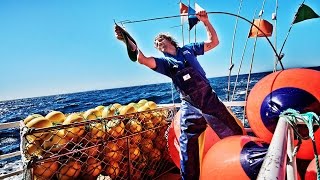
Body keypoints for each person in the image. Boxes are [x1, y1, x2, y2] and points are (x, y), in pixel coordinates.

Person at [115, 10, 244, 180]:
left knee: (233, 133)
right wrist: (127, 40)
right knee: (187, 149)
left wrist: (205, 21)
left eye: (160, 39)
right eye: (155, 43)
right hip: (189, 105)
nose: (157, 42)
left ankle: (246, 166)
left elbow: (214, 42)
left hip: (208, 98)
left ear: (169, 40)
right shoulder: (165, 63)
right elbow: (143, 59)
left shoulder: (189, 49)